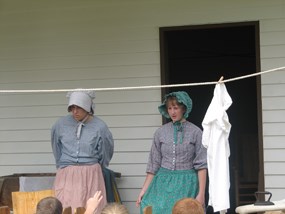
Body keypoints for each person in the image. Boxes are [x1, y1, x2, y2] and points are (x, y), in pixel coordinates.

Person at [136, 91, 207, 214]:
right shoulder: (160, 132)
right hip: (163, 183)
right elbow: (153, 165)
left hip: (187, 183)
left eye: (176, 108)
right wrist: (143, 190)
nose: (172, 112)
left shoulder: (196, 132)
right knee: (152, 208)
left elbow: (202, 166)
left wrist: (201, 194)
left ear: (183, 108)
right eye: (169, 108)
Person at [51, 90, 114, 213]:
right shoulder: (60, 124)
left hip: (91, 172)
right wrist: (63, 165)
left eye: (79, 107)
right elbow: (56, 148)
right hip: (67, 173)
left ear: (87, 107)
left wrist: (95, 167)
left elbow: (106, 151)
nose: (75, 111)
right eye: (72, 108)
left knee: (91, 206)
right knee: (64, 206)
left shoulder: (100, 126)